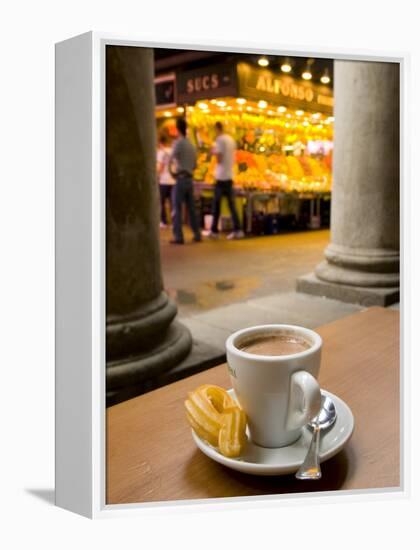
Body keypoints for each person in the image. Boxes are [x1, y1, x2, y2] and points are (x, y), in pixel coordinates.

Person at [205, 121, 244, 239]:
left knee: (216, 205)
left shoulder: (219, 140)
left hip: (221, 176)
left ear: (217, 129)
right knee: (231, 205)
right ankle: (238, 229)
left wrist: (212, 152)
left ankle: (214, 231)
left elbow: (219, 159)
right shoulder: (231, 140)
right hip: (229, 175)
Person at [168, 118, 201, 244]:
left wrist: (173, 173)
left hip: (181, 178)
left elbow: (171, 160)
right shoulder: (191, 145)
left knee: (177, 208)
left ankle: (178, 236)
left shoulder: (178, 143)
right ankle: (197, 234)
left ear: (177, 129)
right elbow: (195, 164)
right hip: (190, 179)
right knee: (191, 209)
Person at [156, 133, 175, 228]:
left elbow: (160, 167)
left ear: (160, 143)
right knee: (173, 203)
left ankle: (163, 221)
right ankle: (173, 222)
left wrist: (156, 176)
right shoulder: (173, 151)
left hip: (164, 180)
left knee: (162, 202)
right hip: (173, 180)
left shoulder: (161, 152)